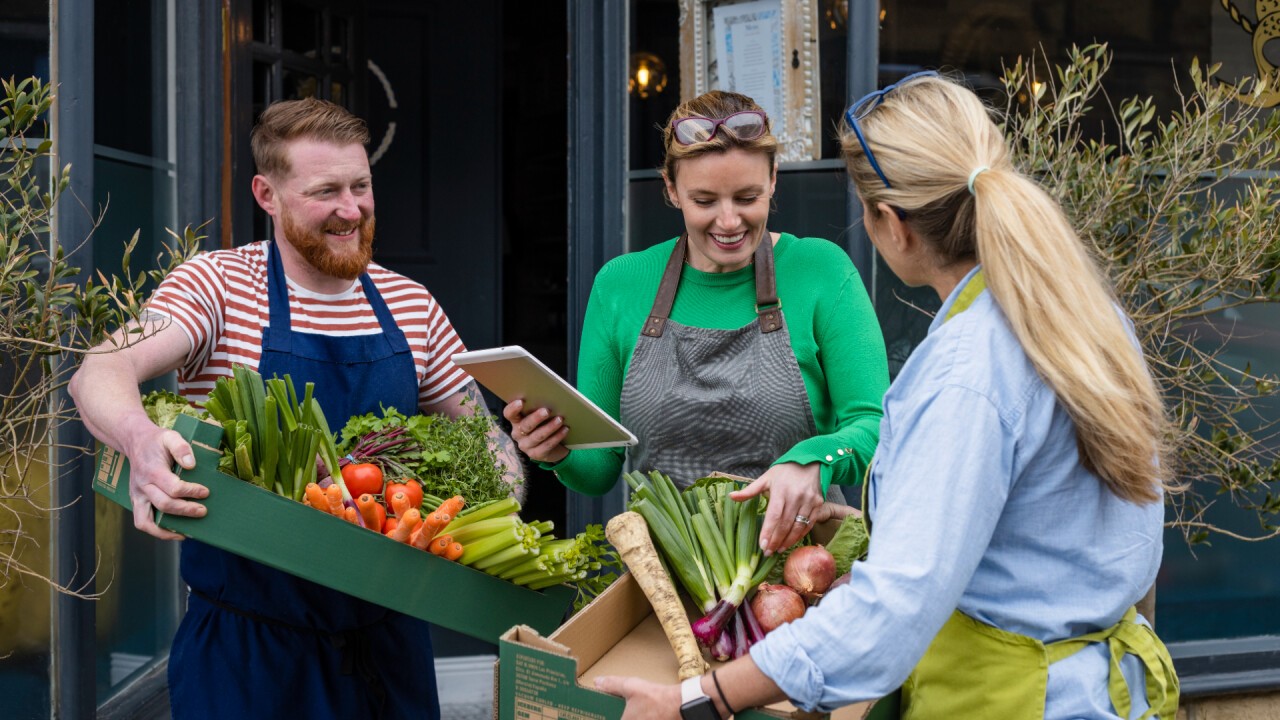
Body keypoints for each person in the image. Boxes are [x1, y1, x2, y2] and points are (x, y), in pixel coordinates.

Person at [592, 73, 1180, 719]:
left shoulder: (967, 373)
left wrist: (703, 699)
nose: (728, 220)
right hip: (1104, 686)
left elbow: (891, 612)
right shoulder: (1080, 314)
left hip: (1009, 698)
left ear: (893, 225)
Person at [69, 97, 524, 719]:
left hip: (388, 651)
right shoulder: (220, 286)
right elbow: (102, 369)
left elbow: (486, 444)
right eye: (325, 191)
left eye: (361, 186)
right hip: (248, 654)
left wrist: (506, 486)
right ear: (267, 194)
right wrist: (141, 442)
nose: (351, 209)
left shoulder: (411, 304)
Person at [504, 90, 889, 553]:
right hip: (667, 576)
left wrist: (815, 461)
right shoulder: (621, 285)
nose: (729, 221)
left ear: (773, 180)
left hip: (804, 570)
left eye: (747, 197)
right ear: (670, 188)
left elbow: (875, 427)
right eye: (704, 200)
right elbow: (599, 470)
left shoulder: (821, 271)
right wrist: (556, 452)